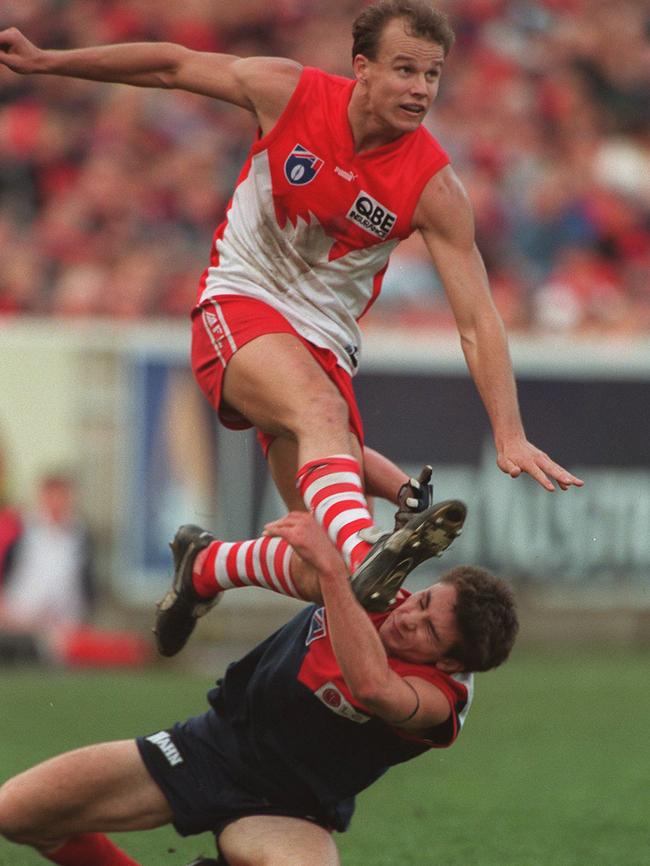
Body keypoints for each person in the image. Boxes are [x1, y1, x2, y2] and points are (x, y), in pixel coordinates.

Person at [0, 0, 582, 611]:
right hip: (240, 301)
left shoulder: (435, 187)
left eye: (432, 75)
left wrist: (509, 434)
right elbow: (172, 66)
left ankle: (208, 566)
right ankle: (367, 551)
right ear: (362, 66)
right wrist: (46, 61)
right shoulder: (288, 92)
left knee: (321, 574)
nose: (421, 89)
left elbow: (477, 318)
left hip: (323, 344)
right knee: (320, 421)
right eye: (405, 70)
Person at [0, 510, 519, 866]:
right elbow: (337, 457)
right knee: (17, 814)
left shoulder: (440, 702)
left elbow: (373, 685)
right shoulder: (379, 585)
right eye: (424, 600)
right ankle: (203, 566)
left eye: (429, 630)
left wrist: (335, 575)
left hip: (289, 808)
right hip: (207, 748)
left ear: (450, 662)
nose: (410, 615)